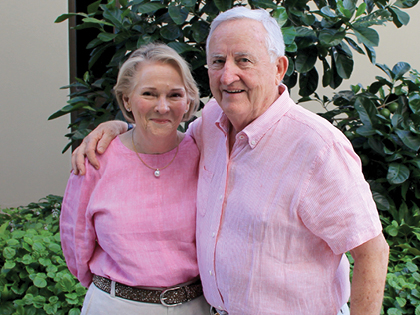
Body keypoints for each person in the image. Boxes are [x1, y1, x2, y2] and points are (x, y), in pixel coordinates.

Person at [70, 7, 389, 315]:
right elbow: (157, 135)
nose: (228, 75)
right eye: (218, 61)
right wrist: (116, 129)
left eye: (244, 60)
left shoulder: (318, 147)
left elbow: (372, 251)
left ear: (278, 68)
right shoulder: (210, 124)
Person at [60, 43, 210, 314]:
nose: (162, 107)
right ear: (127, 99)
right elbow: (75, 243)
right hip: (115, 305)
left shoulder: (204, 152)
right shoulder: (97, 159)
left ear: (188, 100)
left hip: (194, 307)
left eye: (174, 94)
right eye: (149, 94)